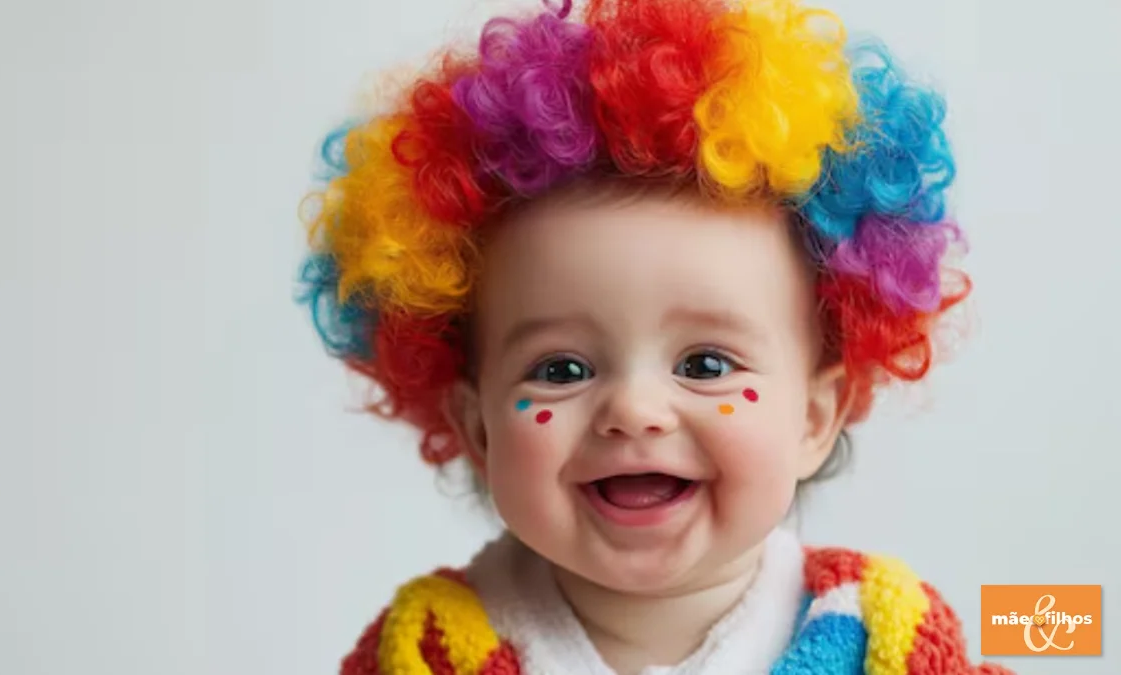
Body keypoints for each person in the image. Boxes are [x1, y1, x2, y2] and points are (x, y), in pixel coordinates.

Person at [298, 0, 1013, 672]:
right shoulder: (429, 647)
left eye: (705, 362)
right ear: (477, 426)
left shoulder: (879, 634)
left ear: (814, 417)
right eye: (561, 368)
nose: (634, 408)